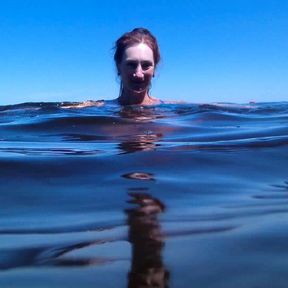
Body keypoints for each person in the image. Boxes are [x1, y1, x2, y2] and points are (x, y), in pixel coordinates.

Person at [114, 27, 161, 106]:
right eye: (131, 64)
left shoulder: (176, 110)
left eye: (146, 65)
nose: (139, 74)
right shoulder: (92, 107)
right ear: (118, 67)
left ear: (154, 69)